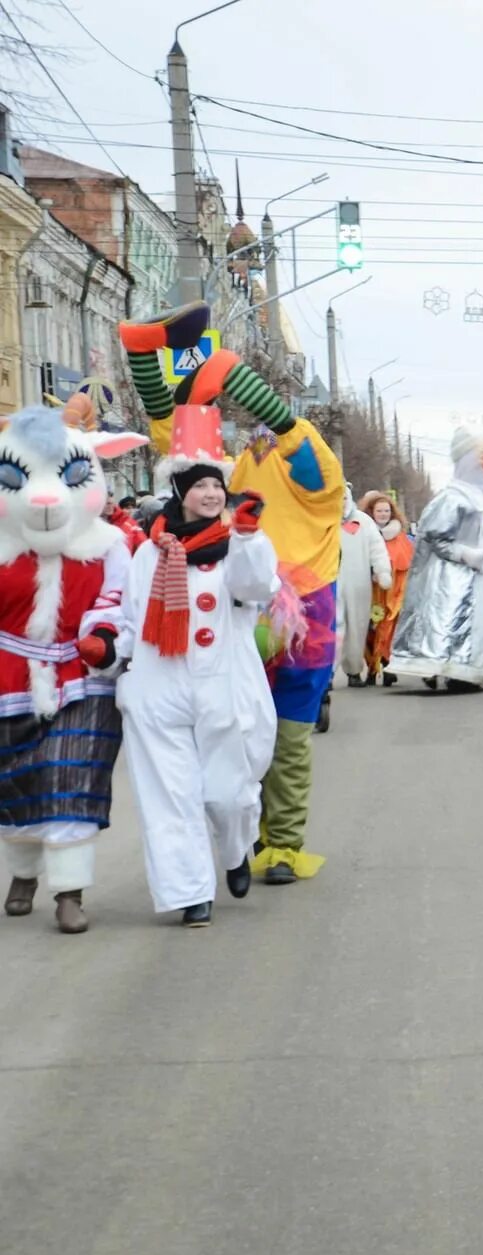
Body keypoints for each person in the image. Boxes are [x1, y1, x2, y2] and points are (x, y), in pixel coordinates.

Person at [121, 303, 343, 888]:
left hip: (301, 616)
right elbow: (177, 442)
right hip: (223, 610)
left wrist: (230, 378)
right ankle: (234, 841)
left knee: (287, 733)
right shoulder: (227, 477)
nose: (266, 442)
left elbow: (300, 441)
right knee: (227, 736)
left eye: (273, 437)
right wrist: (161, 365)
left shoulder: (319, 485)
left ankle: (282, 844)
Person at [117, 441, 279, 927]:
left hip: (223, 682)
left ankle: (234, 850)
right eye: (200, 485)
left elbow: (257, 588)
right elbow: (131, 614)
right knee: (170, 794)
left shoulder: (237, 544)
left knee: (224, 794)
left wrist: (248, 536)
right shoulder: (150, 551)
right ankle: (190, 892)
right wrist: (112, 656)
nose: (211, 494)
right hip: (159, 680)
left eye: (216, 485)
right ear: (180, 491)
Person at [0, 408, 140, 935]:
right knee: (13, 786)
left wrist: (104, 639)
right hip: (8, 678)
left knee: (72, 781)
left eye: (71, 477)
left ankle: (69, 892)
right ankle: (23, 873)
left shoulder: (108, 548)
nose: (44, 496)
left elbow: (117, 601)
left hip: (82, 680)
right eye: (15, 479)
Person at [389, 430, 483, 693]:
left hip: (475, 577)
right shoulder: (453, 498)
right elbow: (435, 537)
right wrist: (467, 555)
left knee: (470, 623)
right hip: (450, 576)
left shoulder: (479, 499)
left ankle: (466, 671)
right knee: (447, 623)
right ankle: (445, 670)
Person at [335, 484, 392, 690]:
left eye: (343, 498)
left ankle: (353, 670)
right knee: (331, 627)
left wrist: (382, 570)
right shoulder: (321, 519)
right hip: (330, 581)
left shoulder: (363, 521)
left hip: (359, 583)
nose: (340, 502)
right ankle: (327, 673)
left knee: (357, 627)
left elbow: (377, 548)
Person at [359, 492, 412, 686]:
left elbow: (405, 564)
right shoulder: (363, 533)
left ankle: (387, 663)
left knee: (388, 629)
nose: (383, 514)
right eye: (379, 510)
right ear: (371, 512)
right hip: (369, 591)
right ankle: (372, 667)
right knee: (368, 629)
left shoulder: (399, 536)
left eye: (387, 510)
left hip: (393, 594)